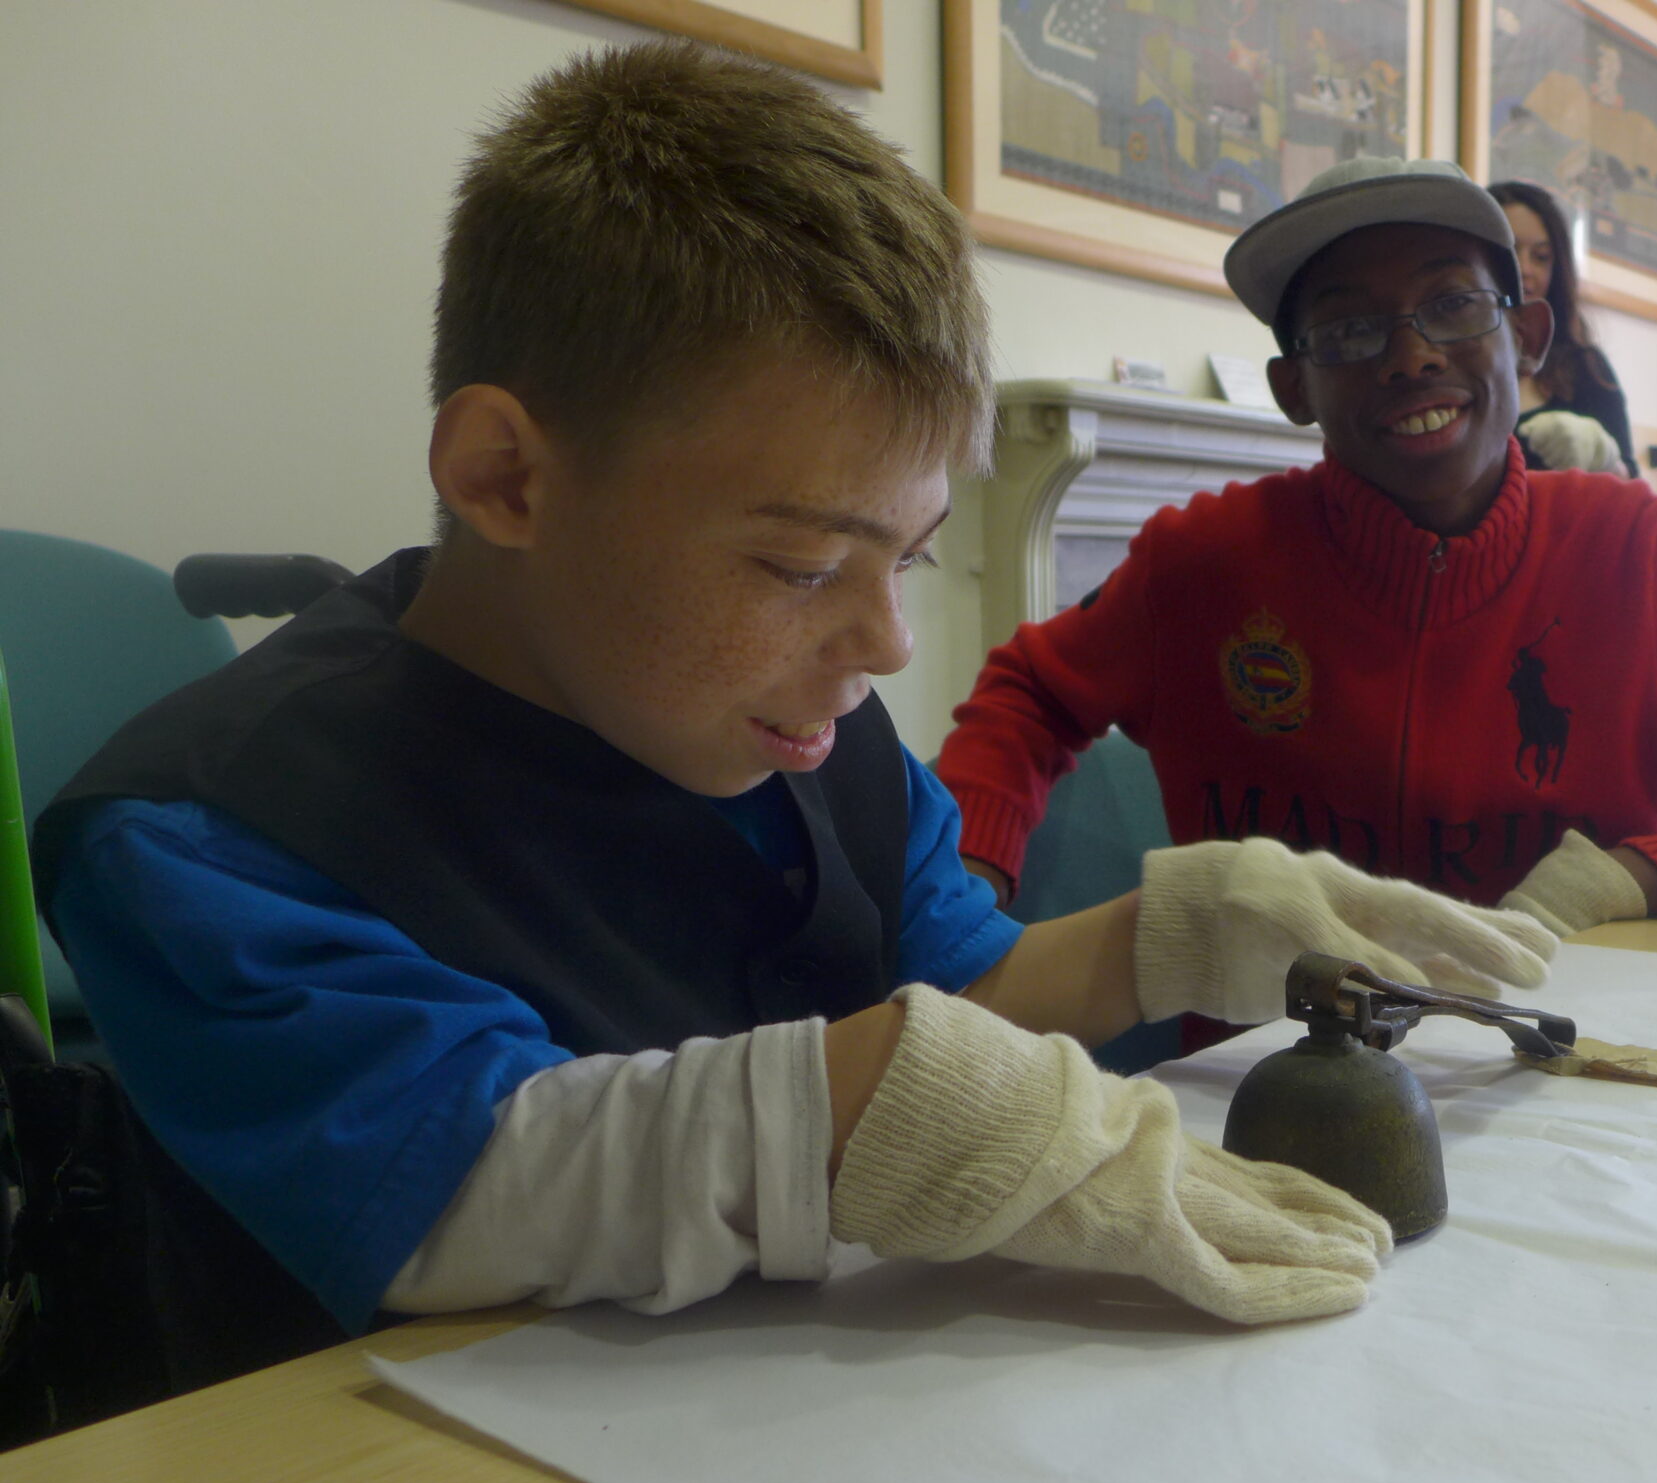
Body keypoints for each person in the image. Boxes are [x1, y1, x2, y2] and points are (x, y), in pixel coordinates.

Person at [32, 46, 1562, 1350]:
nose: (889, 642)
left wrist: (1174, 929)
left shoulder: (813, 736)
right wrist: (869, 1100)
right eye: (796, 562)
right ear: (507, 475)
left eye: (910, 554)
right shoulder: (203, 836)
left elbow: (960, 985)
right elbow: (469, 1185)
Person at [936, 157, 1657, 952]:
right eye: (1348, 328)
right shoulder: (1206, 562)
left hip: (1559, 1089)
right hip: (1260, 1111)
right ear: (1293, 388)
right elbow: (1028, 691)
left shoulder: (1636, 560)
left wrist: (1641, 877)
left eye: (1451, 304)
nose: (1409, 356)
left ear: (1525, 338)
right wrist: (961, 895)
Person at [1489, 180, 1634, 477]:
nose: (1525, 268)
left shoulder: (1586, 367)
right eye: (1510, 252)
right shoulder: (1450, 361)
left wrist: (1601, 455)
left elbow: (1632, 492)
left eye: (1541, 257)